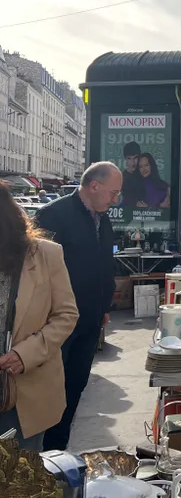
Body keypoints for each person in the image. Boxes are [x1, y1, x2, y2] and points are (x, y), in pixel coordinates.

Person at [37, 162, 120, 451]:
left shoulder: (102, 218)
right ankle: (41, 457)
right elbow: (35, 272)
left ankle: (58, 453)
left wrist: (104, 304)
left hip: (91, 319)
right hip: (58, 323)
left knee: (75, 388)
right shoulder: (52, 215)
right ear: (93, 186)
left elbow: (103, 264)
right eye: (113, 193)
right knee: (50, 393)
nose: (115, 200)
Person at [0, 184, 78, 450]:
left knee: (22, 481)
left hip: (25, 393)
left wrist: (25, 354)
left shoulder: (46, 254)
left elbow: (66, 314)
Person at [121, 141, 144, 207]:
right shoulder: (122, 178)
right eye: (129, 158)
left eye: (135, 158)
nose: (133, 163)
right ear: (125, 159)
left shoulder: (144, 174)